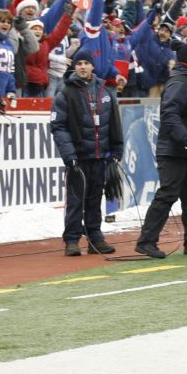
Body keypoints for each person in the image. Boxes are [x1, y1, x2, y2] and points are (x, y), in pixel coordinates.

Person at [133, 44, 187, 258]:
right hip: (174, 150)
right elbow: (170, 114)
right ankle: (146, 241)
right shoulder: (180, 83)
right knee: (167, 194)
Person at [51, 50, 122, 256]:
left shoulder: (105, 91)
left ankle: (95, 238)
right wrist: (70, 155)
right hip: (78, 157)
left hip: (100, 157)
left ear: (93, 66)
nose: (82, 66)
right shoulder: (65, 93)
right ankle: (72, 240)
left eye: (86, 63)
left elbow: (114, 123)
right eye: (79, 63)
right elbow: (58, 126)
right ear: (74, 67)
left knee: (95, 198)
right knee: (76, 200)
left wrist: (116, 151)